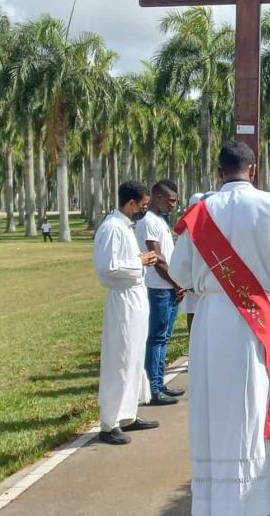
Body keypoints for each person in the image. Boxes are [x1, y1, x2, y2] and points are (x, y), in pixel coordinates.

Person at [170, 142, 270, 516]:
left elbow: (180, 271)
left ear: (219, 172)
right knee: (263, 401)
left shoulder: (199, 212)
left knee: (217, 407)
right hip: (259, 317)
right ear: (254, 170)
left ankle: (221, 502)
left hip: (213, 318)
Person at [92, 181, 161, 445]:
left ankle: (128, 414)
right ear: (130, 203)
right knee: (120, 359)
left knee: (133, 357)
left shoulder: (125, 228)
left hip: (135, 297)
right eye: (142, 206)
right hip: (123, 300)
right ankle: (109, 422)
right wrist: (139, 261)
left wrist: (142, 260)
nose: (143, 211)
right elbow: (107, 268)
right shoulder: (112, 228)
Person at [137, 180, 184, 407]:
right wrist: (177, 283)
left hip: (168, 287)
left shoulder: (160, 221)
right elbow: (157, 260)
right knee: (156, 337)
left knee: (163, 337)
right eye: (171, 200)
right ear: (158, 197)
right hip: (158, 288)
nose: (174, 205)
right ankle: (153, 388)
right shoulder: (148, 222)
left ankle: (159, 382)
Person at [179, 193, 207, 333]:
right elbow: (184, 258)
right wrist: (189, 284)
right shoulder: (188, 226)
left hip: (203, 279)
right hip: (193, 281)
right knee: (193, 311)